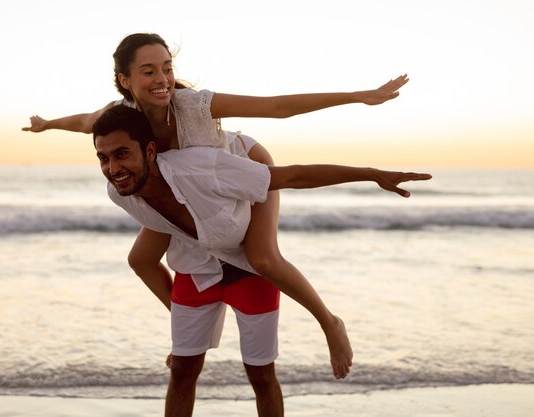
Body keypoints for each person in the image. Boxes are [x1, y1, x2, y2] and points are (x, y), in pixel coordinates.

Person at [23, 32, 410, 379]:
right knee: (140, 260)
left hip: (244, 166)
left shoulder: (193, 105)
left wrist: (358, 96)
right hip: (190, 189)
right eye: (148, 71)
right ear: (125, 81)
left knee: (262, 259)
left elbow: (276, 107)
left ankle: (330, 323)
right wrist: (47, 124)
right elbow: (82, 121)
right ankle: (185, 328)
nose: (162, 79)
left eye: (167, 68)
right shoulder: (118, 118)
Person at [92, 104, 431, 417]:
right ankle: (192, 331)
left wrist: (372, 174)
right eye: (103, 158)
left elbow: (294, 176)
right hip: (196, 270)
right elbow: (145, 255)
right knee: (182, 370)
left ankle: (331, 323)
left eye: (121, 154)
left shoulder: (203, 170)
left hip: (248, 272)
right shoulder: (119, 192)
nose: (113, 168)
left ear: (149, 151)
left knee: (261, 373)